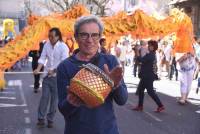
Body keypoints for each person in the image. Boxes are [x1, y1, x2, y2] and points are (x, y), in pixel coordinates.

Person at [57, 15, 128, 134]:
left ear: (100, 37)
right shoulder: (65, 66)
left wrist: (115, 86)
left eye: (94, 35)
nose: (89, 40)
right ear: (76, 37)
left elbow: (122, 100)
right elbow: (63, 109)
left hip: (107, 130)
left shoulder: (110, 61)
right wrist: (71, 102)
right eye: (84, 35)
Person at [33, 27, 69, 128]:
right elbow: (42, 58)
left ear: (58, 36)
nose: (50, 38)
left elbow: (63, 63)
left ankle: (50, 119)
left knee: (54, 100)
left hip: (58, 78)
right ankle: (41, 118)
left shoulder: (63, 47)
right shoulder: (46, 45)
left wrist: (54, 70)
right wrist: (38, 68)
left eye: (52, 36)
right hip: (46, 77)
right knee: (44, 97)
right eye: (49, 36)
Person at [133, 40, 165, 112]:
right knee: (141, 90)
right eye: (148, 45)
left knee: (150, 91)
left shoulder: (151, 55)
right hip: (146, 75)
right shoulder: (151, 54)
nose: (148, 46)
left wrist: (137, 51)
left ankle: (160, 105)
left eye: (150, 45)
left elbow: (141, 60)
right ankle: (140, 106)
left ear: (153, 47)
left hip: (148, 76)